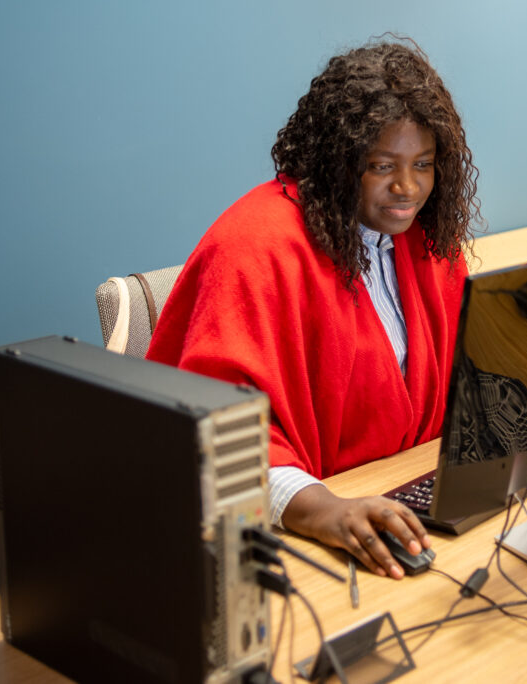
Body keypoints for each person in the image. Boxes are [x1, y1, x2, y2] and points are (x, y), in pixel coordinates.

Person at [146, 37, 480, 579]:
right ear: (337, 160)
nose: (407, 187)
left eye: (423, 163)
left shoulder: (424, 237)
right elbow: (214, 433)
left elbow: (463, 377)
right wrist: (324, 509)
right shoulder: (255, 247)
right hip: (293, 529)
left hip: (402, 499)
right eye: (380, 165)